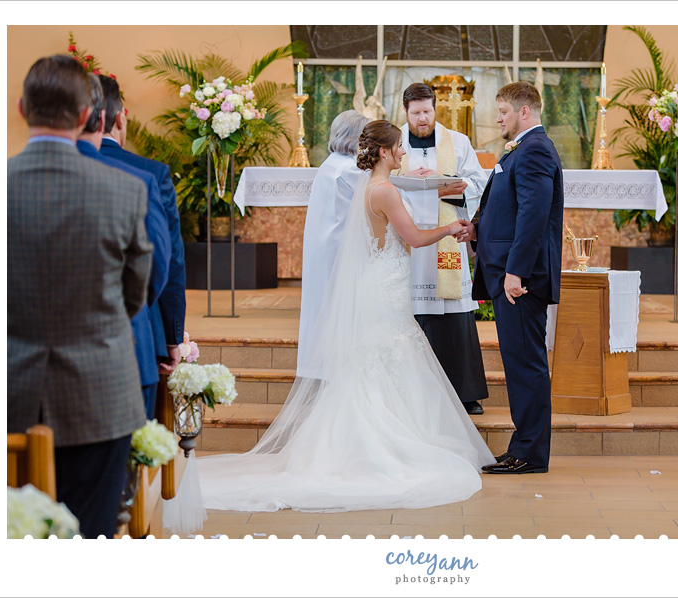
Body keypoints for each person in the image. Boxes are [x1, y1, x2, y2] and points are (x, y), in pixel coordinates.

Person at [197, 121, 493, 512]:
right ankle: (385, 444)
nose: (404, 151)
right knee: (389, 356)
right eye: (399, 146)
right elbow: (416, 238)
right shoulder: (384, 190)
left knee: (379, 360)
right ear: (385, 152)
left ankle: (371, 439)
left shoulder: (369, 186)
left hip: (381, 280)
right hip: (386, 286)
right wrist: (452, 227)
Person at [8, 55, 152, 538]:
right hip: (100, 392)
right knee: (91, 537)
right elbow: (135, 294)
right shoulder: (125, 190)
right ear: (87, 116)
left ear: (23, 107)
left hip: (7, 391)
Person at [456, 81, 564, 475]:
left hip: (521, 278)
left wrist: (515, 271)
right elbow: (506, 206)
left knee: (527, 366)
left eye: (503, 111)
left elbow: (533, 217)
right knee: (519, 365)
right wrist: (477, 230)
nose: (497, 118)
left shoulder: (534, 149)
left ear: (525, 112)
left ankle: (531, 454)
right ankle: (523, 446)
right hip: (510, 273)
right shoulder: (520, 149)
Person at [76, 73, 171, 418]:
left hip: (23, 368)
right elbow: (158, 266)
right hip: (122, 348)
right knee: (125, 466)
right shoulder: (139, 182)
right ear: (105, 119)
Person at [394, 82, 490, 415]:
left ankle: (464, 392)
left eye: (428, 111)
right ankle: (410, 392)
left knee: (452, 313)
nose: (423, 118)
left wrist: (453, 187)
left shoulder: (457, 142)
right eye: (416, 112)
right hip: (407, 236)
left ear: (435, 108)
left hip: (447, 235)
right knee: (413, 308)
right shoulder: (395, 144)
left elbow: (478, 181)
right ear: (405, 112)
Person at [98, 74, 187, 379]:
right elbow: (168, 258)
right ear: (119, 119)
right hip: (137, 330)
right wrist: (173, 336)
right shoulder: (151, 173)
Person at [297, 109, 369, 377]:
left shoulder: (331, 163)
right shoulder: (349, 168)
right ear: (356, 137)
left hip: (325, 247)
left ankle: (321, 366)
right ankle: (339, 369)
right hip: (341, 250)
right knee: (340, 309)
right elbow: (380, 195)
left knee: (322, 307)